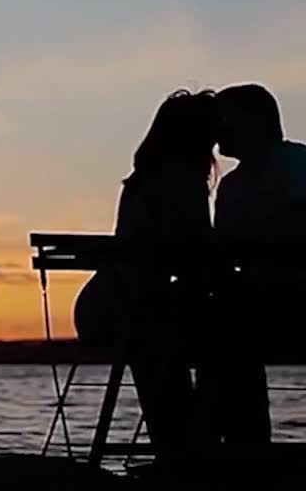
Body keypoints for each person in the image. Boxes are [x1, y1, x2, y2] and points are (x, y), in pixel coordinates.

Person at [204, 83, 306, 447]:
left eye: (224, 120)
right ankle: (225, 447)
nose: (217, 131)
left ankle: (239, 448)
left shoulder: (298, 162)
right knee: (216, 325)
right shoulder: (231, 186)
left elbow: (302, 239)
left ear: (253, 121)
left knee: (225, 330)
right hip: (262, 307)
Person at [74, 89, 217, 459]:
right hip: (125, 308)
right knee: (203, 336)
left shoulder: (145, 180)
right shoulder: (181, 184)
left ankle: (180, 451)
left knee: (174, 332)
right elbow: (197, 257)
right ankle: (191, 452)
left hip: (108, 303)